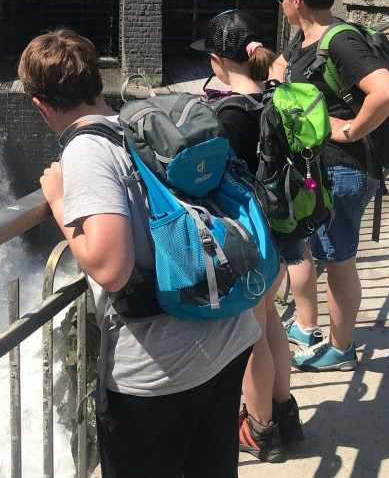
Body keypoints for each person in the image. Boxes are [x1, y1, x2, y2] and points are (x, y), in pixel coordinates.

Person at [19, 29, 260, 478]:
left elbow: (111, 267)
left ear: (41, 104)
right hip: (227, 334)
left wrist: (56, 200)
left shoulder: (88, 150)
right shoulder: (142, 125)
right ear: (96, 80)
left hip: (163, 367)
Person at [270, 0, 389, 371]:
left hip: (343, 169)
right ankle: (309, 327)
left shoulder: (340, 42)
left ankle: (341, 348)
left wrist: (348, 130)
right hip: (317, 172)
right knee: (316, 247)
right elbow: (284, 70)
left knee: (338, 261)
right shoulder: (306, 37)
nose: (280, 3)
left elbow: (386, 91)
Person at [192, 10, 304, 463]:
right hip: (281, 227)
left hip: (249, 234)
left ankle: (260, 428)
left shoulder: (230, 114)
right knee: (269, 320)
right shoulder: (275, 97)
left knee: (249, 331)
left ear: (219, 61)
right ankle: (284, 411)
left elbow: (212, 179)